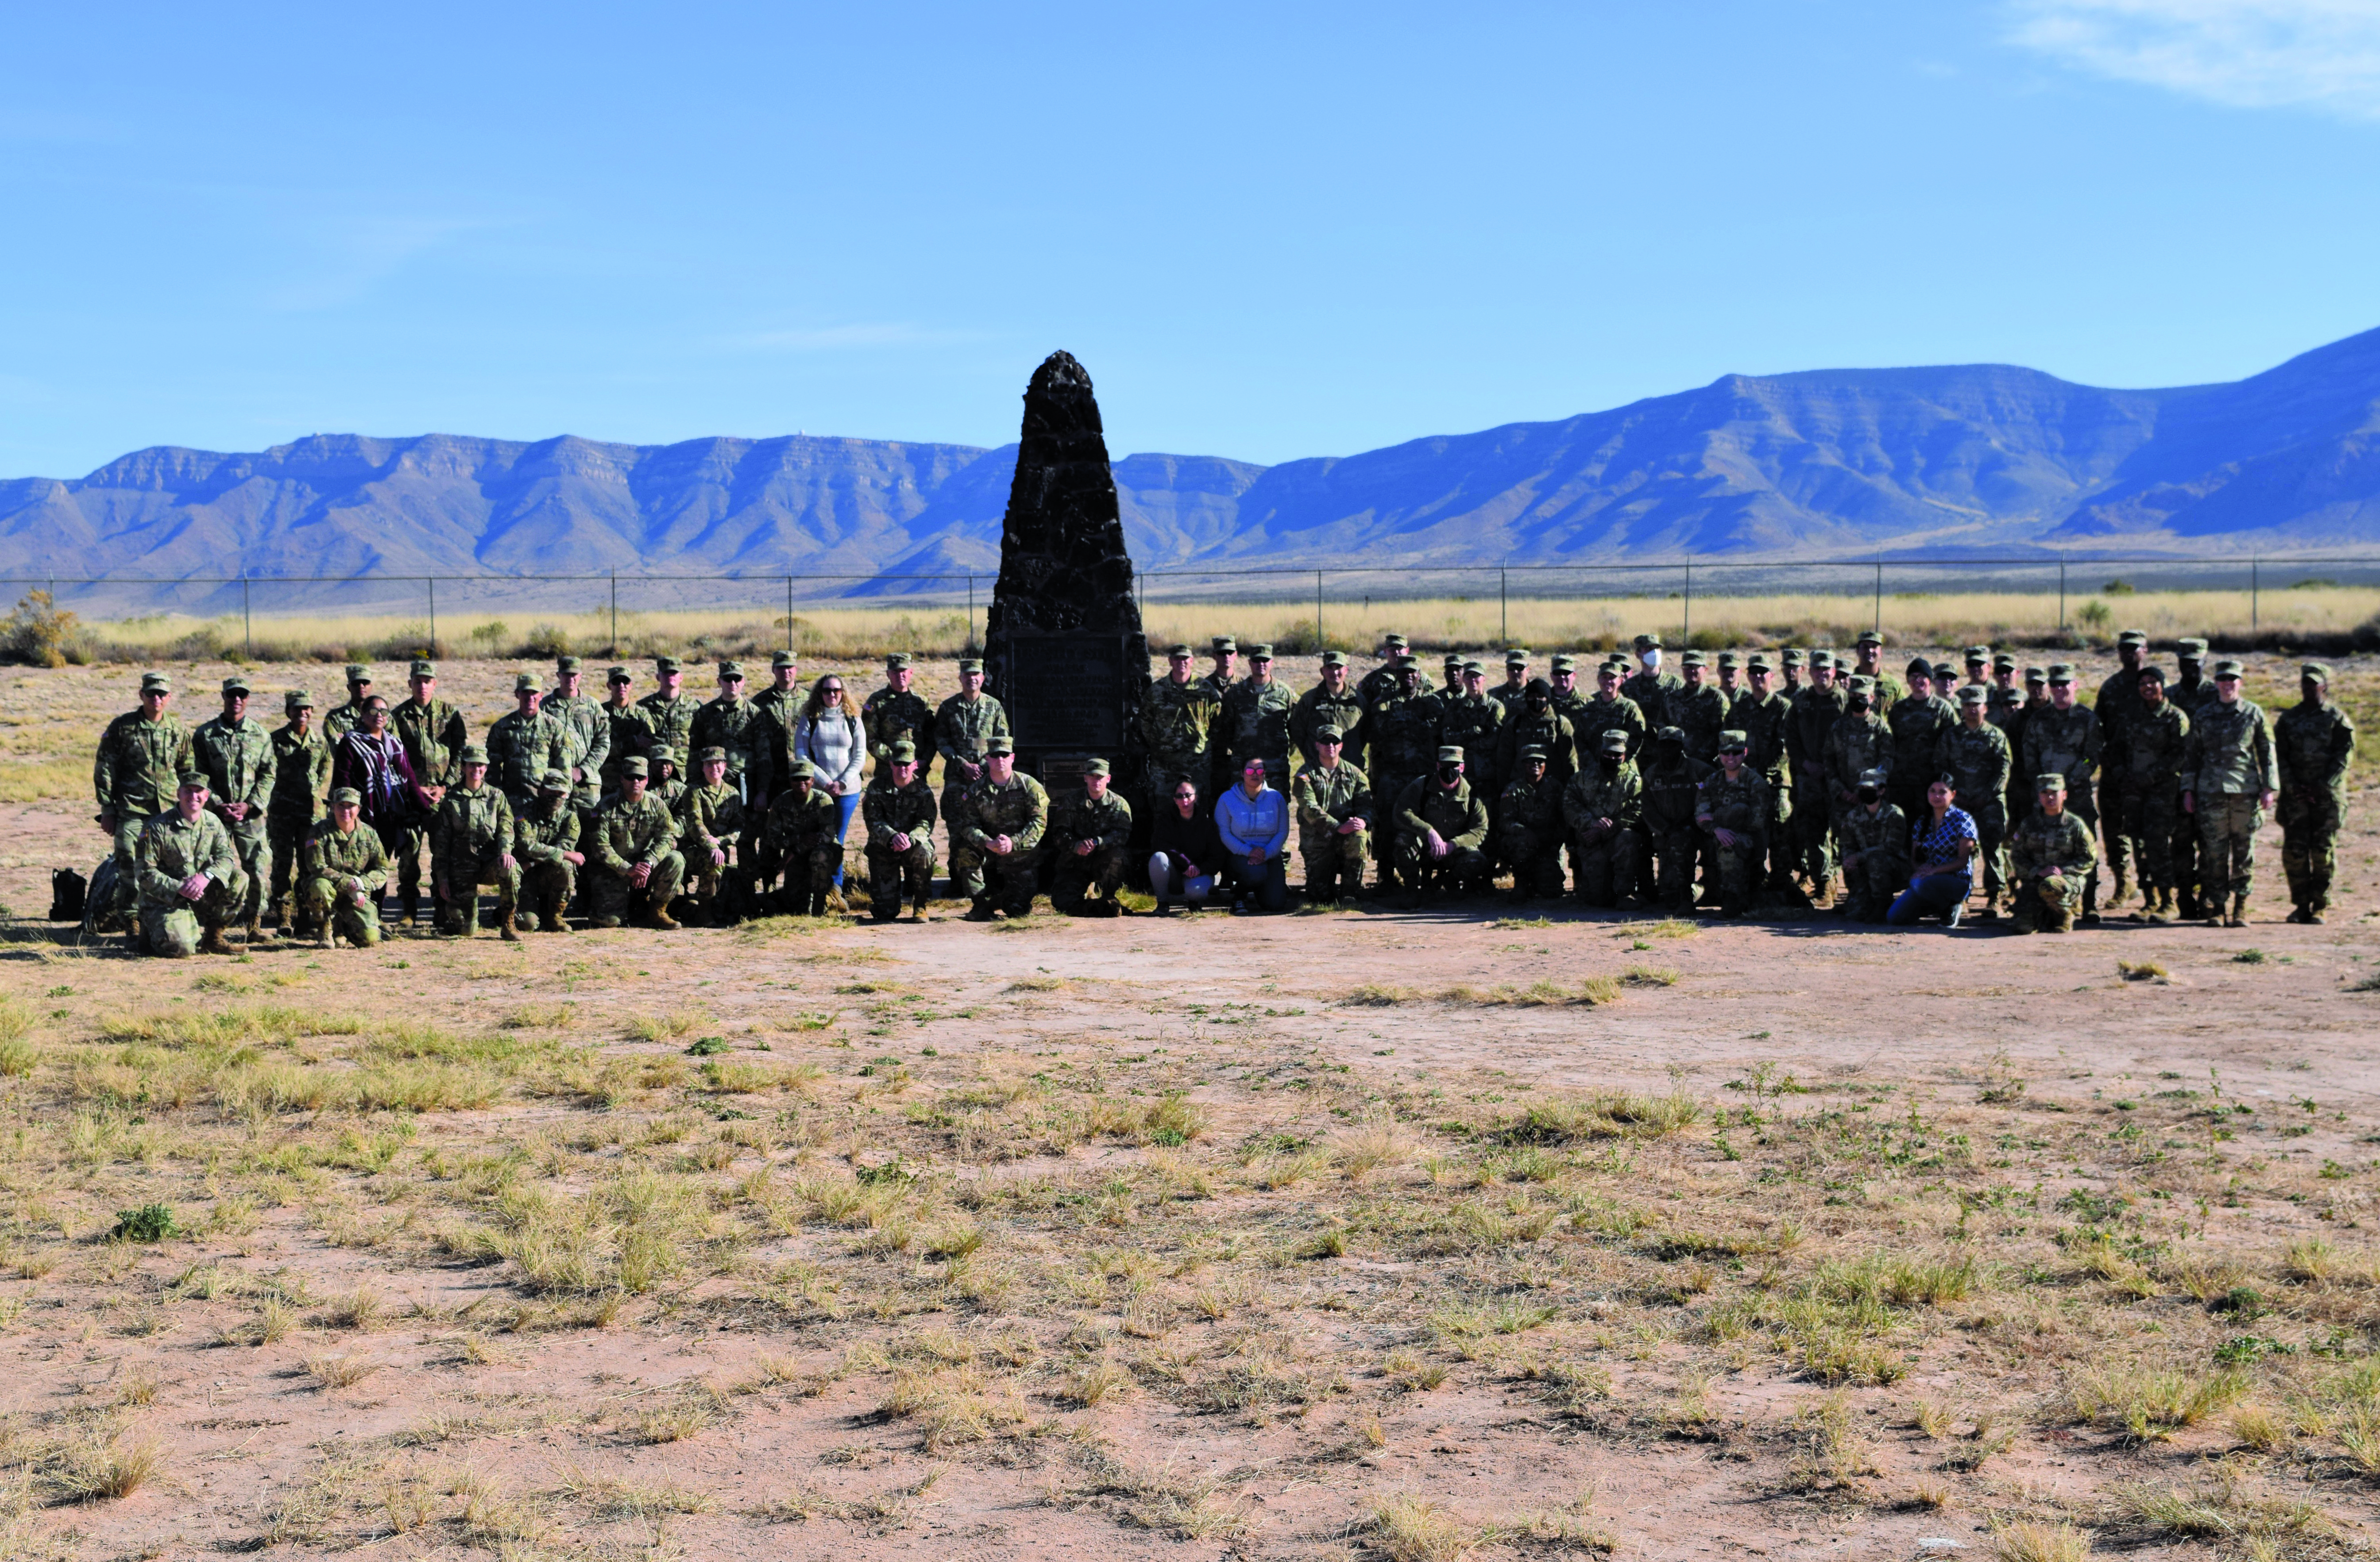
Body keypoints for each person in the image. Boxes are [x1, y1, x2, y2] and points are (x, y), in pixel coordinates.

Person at [93, 670, 193, 931]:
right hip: (132, 810)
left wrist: (191, 807)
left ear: (169, 697)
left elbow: (187, 771)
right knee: (129, 864)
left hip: (169, 811)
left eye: (161, 694)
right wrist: (107, 810)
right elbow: (105, 768)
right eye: (151, 693)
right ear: (142, 695)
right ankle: (132, 922)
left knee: (171, 866)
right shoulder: (122, 728)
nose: (156, 698)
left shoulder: (178, 730)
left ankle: (167, 917)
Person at [2182, 658, 2277, 928]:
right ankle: (2217, 906)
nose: (2228, 684)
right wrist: (2188, 789)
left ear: (2240, 682)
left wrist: (2269, 787)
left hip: (2245, 794)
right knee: (2214, 853)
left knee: (2244, 851)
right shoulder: (2203, 715)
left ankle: (2241, 907)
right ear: (2216, 683)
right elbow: (2192, 756)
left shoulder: (2253, 714)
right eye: (2223, 679)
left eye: (2232, 679)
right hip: (2211, 793)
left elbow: (2267, 752)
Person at [190, 673, 277, 944]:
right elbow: (197, 775)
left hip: (250, 817)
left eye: (242, 695)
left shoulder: (260, 735)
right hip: (215, 817)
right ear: (223, 697)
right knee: (211, 868)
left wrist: (250, 805)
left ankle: (254, 925)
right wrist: (216, 803)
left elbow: (268, 774)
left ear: (248, 699)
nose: (236, 700)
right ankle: (213, 928)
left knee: (257, 869)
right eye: (232, 695)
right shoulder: (205, 734)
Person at [2275, 662, 2358, 925]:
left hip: (2326, 796)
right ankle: (2300, 905)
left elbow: (2343, 757)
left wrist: (2322, 785)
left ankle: (2320, 905)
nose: (2309, 688)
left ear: (2325, 686)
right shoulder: (2288, 719)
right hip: (2296, 797)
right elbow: (2278, 756)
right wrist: (2293, 786)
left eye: (2314, 683)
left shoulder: (2336, 719)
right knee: (2295, 852)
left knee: (2323, 852)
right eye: (2305, 683)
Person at [388, 659, 468, 928]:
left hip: (442, 798)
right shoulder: (398, 717)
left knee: (442, 855)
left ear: (434, 684)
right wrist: (415, 787)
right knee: (408, 856)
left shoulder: (450, 714)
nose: (422, 686)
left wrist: (446, 785)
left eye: (427, 681)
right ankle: (409, 912)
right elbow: (394, 756)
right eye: (417, 681)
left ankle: (441, 909)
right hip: (412, 797)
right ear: (410, 684)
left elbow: (460, 752)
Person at [134, 771, 247, 956]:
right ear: (179, 794)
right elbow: (144, 872)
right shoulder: (157, 827)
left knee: (240, 878)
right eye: (188, 791)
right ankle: (150, 931)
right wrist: (179, 887)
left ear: (206, 796)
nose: (193, 796)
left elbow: (226, 857)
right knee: (184, 949)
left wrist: (206, 877)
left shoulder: (213, 822)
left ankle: (213, 939)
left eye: (199, 791)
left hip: (199, 893)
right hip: (165, 899)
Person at [2111, 667, 2190, 924]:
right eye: (2143, 683)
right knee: (2138, 844)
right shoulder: (2131, 717)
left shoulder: (2175, 718)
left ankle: (2169, 902)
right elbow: (2117, 750)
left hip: (2162, 792)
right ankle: (2150, 901)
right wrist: (2124, 775)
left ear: (2162, 685)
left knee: (2158, 844)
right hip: (2134, 792)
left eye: (2152, 682)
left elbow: (2181, 755)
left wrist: (2152, 776)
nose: (2147, 687)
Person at [329, 695, 417, 922]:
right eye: (374, 711)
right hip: (365, 817)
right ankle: (355, 918)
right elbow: (343, 780)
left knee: (381, 865)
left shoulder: (396, 744)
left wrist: (423, 809)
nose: (380, 716)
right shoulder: (351, 742)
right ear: (363, 714)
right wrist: (348, 815)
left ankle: (377, 916)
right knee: (361, 866)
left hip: (391, 816)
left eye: (385, 712)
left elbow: (410, 779)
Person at [934, 659, 1010, 899]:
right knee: (957, 831)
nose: (972, 679)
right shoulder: (948, 708)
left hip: (986, 779)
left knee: (987, 827)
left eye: (976, 675)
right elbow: (941, 740)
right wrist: (961, 763)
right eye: (967, 675)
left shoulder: (994, 707)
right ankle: (957, 880)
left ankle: (988, 881)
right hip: (958, 779)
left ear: (983, 678)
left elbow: (1003, 740)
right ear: (960, 678)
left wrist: (986, 763)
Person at [1935, 686, 2012, 921]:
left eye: (1976, 705)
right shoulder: (1950, 736)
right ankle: (1962, 895)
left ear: (1985, 708)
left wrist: (1986, 795)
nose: (1971, 709)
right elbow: (1941, 767)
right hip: (1959, 802)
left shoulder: (1996, 736)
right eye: (1967, 705)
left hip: (1988, 802)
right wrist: (1953, 795)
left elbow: (2003, 769)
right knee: (1959, 849)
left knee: (1993, 847)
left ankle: (1995, 896)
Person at [429, 744, 520, 940]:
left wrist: (505, 851)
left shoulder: (496, 797)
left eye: (481, 765)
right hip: (461, 867)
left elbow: (506, 827)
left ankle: (508, 923)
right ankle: (453, 915)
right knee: (467, 931)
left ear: (486, 768)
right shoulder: (452, 800)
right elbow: (441, 843)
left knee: (510, 869)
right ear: (463, 767)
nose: (476, 770)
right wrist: (443, 877)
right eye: (471, 765)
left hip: (489, 863)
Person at [587, 756, 687, 929]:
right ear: (622, 779)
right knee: (610, 922)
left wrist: (649, 863)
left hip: (644, 866)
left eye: (640, 778)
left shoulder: (658, 805)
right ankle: (629, 904)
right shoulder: (605, 806)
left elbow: (666, 839)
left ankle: (657, 912)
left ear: (647, 780)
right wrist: (628, 869)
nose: (636, 782)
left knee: (676, 859)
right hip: (614, 870)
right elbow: (600, 847)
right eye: (631, 777)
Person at [793, 672, 867, 902]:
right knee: (817, 837)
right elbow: (802, 753)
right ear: (820, 693)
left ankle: (835, 891)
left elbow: (860, 755)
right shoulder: (810, 718)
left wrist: (842, 782)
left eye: (836, 690)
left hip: (848, 791)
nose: (832, 695)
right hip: (818, 790)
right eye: (827, 691)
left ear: (843, 692)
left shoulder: (853, 718)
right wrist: (826, 783)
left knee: (837, 838)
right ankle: (813, 888)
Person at [956, 736, 1047, 921]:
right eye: (995, 756)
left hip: (1020, 853)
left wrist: (1013, 843)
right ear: (987, 759)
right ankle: (980, 904)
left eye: (1004, 755)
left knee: (1017, 911)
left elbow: (1039, 822)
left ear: (1012, 758)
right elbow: (967, 825)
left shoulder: (1029, 786)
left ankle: (1003, 899)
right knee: (964, 849)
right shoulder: (976, 791)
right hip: (989, 850)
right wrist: (987, 842)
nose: (1000, 760)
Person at [2093, 630, 2154, 909]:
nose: (2129, 653)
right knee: (2113, 829)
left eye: (2135, 648)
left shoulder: (2154, 685)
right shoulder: (2111, 687)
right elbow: (2098, 731)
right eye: (2124, 649)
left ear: (2146, 650)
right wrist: (2107, 763)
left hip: (2147, 774)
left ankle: (2151, 888)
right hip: (2114, 772)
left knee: (2144, 831)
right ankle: (2123, 882)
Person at [266, 690, 330, 935]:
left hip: (309, 813)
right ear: (288, 712)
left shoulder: (319, 742)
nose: (302, 713)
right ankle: (283, 918)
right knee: (282, 864)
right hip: (282, 811)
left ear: (312, 712)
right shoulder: (274, 740)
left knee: (308, 865)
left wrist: (312, 790)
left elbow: (324, 768)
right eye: (296, 709)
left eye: (307, 709)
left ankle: (306, 917)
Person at [1393, 746, 1490, 905]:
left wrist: (1453, 845)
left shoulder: (1472, 794)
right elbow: (1402, 811)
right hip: (1426, 845)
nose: (1449, 770)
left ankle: (1449, 881)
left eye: (1454, 766)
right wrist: (1429, 832)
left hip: (1454, 849)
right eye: (1445, 766)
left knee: (1477, 860)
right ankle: (1412, 890)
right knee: (1403, 842)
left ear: (1462, 767)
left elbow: (1480, 829)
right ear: (1438, 766)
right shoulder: (1422, 786)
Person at [2006, 773, 2098, 935]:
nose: (2049, 797)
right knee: (2023, 927)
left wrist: (2063, 870)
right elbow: (2017, 856)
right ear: (2038, 796)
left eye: (2054, 793)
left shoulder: (2075, 825)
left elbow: (2088, 858)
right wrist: (2037, 871)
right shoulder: (2029, 824)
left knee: (2051, 885)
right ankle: (2045, 914)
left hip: (2065, 881)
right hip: (2035, 880)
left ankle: (2064, 913)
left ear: (2064, 795)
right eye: (2044, 793)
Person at [302, 786, 391, 949]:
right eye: (340, 806)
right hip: (329, 890)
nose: (346, 811)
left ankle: (342, 927)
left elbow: (382, 869)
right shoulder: (319, 832)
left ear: (359, 809)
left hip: (356, 895)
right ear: (333, 808)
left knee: (369, 938)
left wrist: (362, 884)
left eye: (351, 806)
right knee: (319, 886)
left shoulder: (369, 834)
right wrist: (349, 883)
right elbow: (317, 867)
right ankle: (324, 928)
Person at [1791, 655, 1849, 902]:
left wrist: (1834, 769)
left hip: (1840, 780)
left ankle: (1853, 888)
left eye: (1826, 669)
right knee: (1813, 835)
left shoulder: (1846, 700)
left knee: (1844, 835)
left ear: (1834, 672)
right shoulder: (1801, 701)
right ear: (1809, 671)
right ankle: (1823, 886)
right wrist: (1805, 763)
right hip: (1810, 779)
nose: (1821, 674)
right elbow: (1791, 737)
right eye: (1817, 669)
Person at [1292, 725, 1371, 903]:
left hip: (1347, 839)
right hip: (1318, 841)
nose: (1331, 746)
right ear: (1317, 745)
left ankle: (1350, 891)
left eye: (1335, 742)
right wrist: (1337, 827)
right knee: (1319, 898)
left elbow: (1366, 805)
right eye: (1326, 742)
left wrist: (1363, 821)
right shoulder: (1305, 775)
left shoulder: (1356, 774)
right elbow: (1309, 808)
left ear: (1341, 746)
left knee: (1360, 836)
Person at [1694, 730, 1769, 917]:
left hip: (1749, 838)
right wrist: (1717, 828)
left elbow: (1756, 821)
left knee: (1728, 845)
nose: (1730, 757)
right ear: (1719, 754)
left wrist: (1723, 821)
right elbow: (1701, 814)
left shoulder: (1755, 783)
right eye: (1725, 753)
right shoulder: (1712, 781)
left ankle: (1732, 901)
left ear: (1745, 752)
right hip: (1717, 833)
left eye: (1736, 752)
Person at [862, 740, 937, 923]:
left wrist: (910, 839)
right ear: (891, 764)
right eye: (898, 764)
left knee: (926, 851)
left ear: (915, 765)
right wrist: (892, 837)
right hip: (884, 847)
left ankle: (920, 905)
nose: (902, 768)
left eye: (906, 764)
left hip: (912, 845)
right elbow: (873, 822)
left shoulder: (924, 791)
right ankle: (884, 900)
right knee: (886, 913)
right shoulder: (876, 788)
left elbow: (926, 822)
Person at [1565, 729, 1642, 908]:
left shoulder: (1633, 781)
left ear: (1625, 755)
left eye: (1617, 755)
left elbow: (1638, 810)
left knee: (1629, 838)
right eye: (1608, 754)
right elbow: (1569, 805)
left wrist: (1610, 828)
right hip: (1591, 841)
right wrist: (1591, 824)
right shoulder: (1583, 778)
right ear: (1601, 752)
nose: (1612, 758)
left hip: (1617, 839)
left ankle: (1625, 894)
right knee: (1597, 900)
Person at [1887, 775, 1978, 926]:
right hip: (1926, 881)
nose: (1936, 796)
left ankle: (1952, 906)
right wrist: (1920, 869)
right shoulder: (1922, 823)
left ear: (1953, 795)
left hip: (1956, 881)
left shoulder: (1963, 820)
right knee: (1894, 918)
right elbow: (1915, 859)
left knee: (1918, 883)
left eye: (1942, 792)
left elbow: (1962, 861)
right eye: (1932, 791)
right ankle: (1938, 907)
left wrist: (1934, 871)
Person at [759, 758, 845, 917]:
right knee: (796, 906)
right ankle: (769, 895)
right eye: (796, 779)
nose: (801, 782)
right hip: (796, 856)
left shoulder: (823, 801)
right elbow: (772, 838)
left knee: (820, 856)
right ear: (790, 781)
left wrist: (796, 850)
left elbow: (826, 836)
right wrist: (799, 840)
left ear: (813, 780)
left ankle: (821, 904)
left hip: (824, 853)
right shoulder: (781, 803)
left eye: (805, 778)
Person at [1143, 644, 1225, 808]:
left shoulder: (1205, 690)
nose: (1181, 662)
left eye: (1185, 658)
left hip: (1197, 764)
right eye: (1177, 658)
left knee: (1199, 810)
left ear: (1192, 661)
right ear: (1170, 661)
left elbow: (1218, 722)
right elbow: (1146, 722)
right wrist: (1160, 745)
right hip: (1165, 764)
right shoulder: (1157, 691)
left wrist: (1204, 744)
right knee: (1163, 810)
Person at [1637, 726, 1708, 912]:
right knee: (1670, 896)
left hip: (1700, 829)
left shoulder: (1699, 770)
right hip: (1669, 834)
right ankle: (1689, 893)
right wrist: (1666, 829)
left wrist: (1695, 823)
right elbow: (1648, 809)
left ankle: (1697, 892)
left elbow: (1712, 799)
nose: (1668, 750)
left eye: (1674, 745)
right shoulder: (1651, 775)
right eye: (1664, 746)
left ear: (1681, 747)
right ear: (1658, 747)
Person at [682, 745, 755, 925]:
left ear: (725, 766)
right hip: (693, 849)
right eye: (709, 764)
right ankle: (703, 912)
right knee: (713, 861)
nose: (714, 768)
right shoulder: (694, 791)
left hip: (721, 850)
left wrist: (722, 841)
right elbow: (695, 823)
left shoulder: (733, 793)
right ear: (702, 767)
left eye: (718, 763)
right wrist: (712, 845)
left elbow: (739, 826)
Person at [1052, 759, 1134, 917]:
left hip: (1103, 861)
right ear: (1085, 778)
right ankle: (1098, 906)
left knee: (1119, 855)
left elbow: (1122, 835)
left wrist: (1098, 843)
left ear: (1108, 779)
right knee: (1061, 903)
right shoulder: (1071, 801)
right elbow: (1060, 833)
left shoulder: (1119, 804)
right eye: (1092, 776)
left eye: (1100, 777)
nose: (1096, 781)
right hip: (1076, 861)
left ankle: (1109, 896)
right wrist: (1076, 845)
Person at [1216, 754, 1291, 914]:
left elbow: (1283, 831)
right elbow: (1224, 834)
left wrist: (1267, 853)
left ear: (1265, 774)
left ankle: (1260, 890)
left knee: (1275, 905)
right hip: (1239, 855)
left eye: (1260, 770)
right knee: (1256, 873)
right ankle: (1239, 896)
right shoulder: (1227, 799)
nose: (1255, 774)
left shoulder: (1276, 798)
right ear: (1242, 774)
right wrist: (1249, 852)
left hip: (1269, 855)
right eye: (1250, 770)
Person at [1835, 766, 1909, 924]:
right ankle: (1859, 898)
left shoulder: (1894, 814)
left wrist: (1859, 857)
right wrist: (1849, 860)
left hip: (1895, 868)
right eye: (1862, 788)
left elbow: (1892, 847)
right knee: (1855, 914)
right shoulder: (1854, 816)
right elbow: (1847, 844)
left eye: (1869, 788)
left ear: (1881, 791)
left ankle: (1883, 904)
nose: (1864, 791)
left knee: (1876, 860)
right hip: (1865, 869)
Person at [689, 660, 771, 802]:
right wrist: (693, 784)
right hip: (712, 781)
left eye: (737, 679)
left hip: (746, 781)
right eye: (728, 679)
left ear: (743, 682)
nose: (733, 683)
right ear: (719, 681)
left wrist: (762, 791)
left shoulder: (754, 714)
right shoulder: (705, 713)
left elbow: (764, 755)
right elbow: (695, 752)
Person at [514, 769, 584, 933]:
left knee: (566, 866)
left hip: (545, 872)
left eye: (560, 793)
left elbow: (565, 848)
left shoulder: (570, 818)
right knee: (528, 925)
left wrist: (533, 862)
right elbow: (528, 845)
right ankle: (508, 911)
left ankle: (554, 916)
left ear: (566, 795)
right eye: (551, 792)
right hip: (525, 877)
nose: (555, 797)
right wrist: (564, 855)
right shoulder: (524, 814)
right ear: (541, 791)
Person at [1887, 661, 1956, 822]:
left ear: (1930, 680)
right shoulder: (1898, 710)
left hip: (1932, 781)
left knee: (1929, 823)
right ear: (1908, 681)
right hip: (1902, 780)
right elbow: (1890, 743)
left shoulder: (1943, 709)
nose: (1918, 681)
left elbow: (1954, 741)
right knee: (1903, 823)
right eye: (1913, 677)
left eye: (1922, 677)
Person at [1222, 644, 1297, 791]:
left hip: (1275, 767)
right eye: (1256, 661)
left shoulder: (1285, 693)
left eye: (1265, 660)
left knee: (1276, 810)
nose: (1261, 664)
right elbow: (1226, 728)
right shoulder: (1236, 694)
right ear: (1250, 663)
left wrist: (1283, 752)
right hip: (1243, 767)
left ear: (1272, 663)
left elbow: (1295, 729)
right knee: (1241, 809)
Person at [542, 656, 610, 816]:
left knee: (590, 831)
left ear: (580, 676)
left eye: (574, 675)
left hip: (587, 784)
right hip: (554, 784)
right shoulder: (545, 707)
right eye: (566, 674)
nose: (570, 679)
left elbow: (603, 743)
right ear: (559, 675)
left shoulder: (593, 706)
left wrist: (583, 770)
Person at [488, 673, 566, 810]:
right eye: (525, 692)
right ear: (517, 694)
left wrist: (558, 798)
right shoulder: (502, 727)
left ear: (541, 696)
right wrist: (497, 797)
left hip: (544, 802)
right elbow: (492, 767)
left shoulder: (554, 727)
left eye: (534, 693)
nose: (530, 697)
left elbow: (564, 765)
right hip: (510, 802)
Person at [1497, 747, 1565, 902]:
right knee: (1521, 847)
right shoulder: (1513, 790)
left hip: (1547, 843)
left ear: (1545, 765)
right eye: (1530, 761)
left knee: (1552, 891)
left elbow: (1563, 819)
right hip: (1522, 843)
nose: (1535, 764)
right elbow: (1505, 822)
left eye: (1540, 761)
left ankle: (1537, 881)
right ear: (1523, 765)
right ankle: (1521, 881)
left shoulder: (1555, 788)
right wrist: (1524, 832)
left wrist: (1555, 841)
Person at [1149, 778, 1224, 915]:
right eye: (1179, 796)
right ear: (1174, 799)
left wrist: (1199, 870)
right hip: (1175, 875)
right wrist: (1186, 863)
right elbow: (1160, 844)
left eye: (1188, 796)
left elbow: (1217, 858)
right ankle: (1163, 904)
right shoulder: (1166, 821)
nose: (1184, 801)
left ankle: (1194, 902)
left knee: (1195, 892)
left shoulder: (1208, 824)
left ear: (1196, 798)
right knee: (1158, 858)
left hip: (1200, 875)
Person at [1291, 651, 1367, 774]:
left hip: (1351, 770)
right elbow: (1298, 732)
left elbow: (1365, 733)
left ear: (1346, 670)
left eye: (1339, 668)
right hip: (1317, 771)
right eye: (1330, 668)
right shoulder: (1309, 700)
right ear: (1322, 671)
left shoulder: (1358, 700)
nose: (1335, 672)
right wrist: (1313, 755)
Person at [862, 652, 936, 775]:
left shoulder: (922, 702)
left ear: (911, 673)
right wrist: (896, 760)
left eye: (903, 671)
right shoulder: (877, 701)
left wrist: (925, 760)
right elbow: (870, 738)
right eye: (895, 671)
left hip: (917, 770)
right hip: (888, 770)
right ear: (888, 674)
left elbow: (932, 735)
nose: (900, 675)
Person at [637, 656, 702, 778]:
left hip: (686, 770)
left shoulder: (695, 707)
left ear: (681, 677)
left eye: (674, 673)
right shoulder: (644, 707)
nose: (670, 676)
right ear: (658, 677)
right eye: (666, 673)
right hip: (656, 770)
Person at [753, 651, 804, 799]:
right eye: (781, 667)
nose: (786, 671)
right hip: (773, 776)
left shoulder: (810, 699)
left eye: (790, 667)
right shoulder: (760, 702)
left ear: (796, 669)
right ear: (773, 669)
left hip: (804, 774)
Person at [599, 666, 653, 795]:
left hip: (635, 779)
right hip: (608, 780)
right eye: (616, 682)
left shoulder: (642, 715)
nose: (621, 686)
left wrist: (617, 745)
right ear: (608, 686)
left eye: (626, 682)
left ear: (631, 686)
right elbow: (600, 748)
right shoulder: (600, 713)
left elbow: (648, 745)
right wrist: (633, 741)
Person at [1672, 652, 1728, 764]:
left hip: (1708, 764)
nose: (1691, 671)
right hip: (1678, 763)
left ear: (1705, 669)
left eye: (1695, 667)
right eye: (1687, 667)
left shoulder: (1716, 698)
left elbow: (1723, 734)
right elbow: (1664, 730)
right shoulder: (1672, 699)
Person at [322, 664, 374, 744]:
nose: (361, 686)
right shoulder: (335, 718)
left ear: (371, 686)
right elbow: (337, 748)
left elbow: (394, 746)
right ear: (349, 687)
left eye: (365, 682)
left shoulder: (383, 716)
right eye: (356, 683)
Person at [1490, 650, 1531, 718]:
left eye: (1520, 668)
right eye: (1511, 668)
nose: (1515, 671)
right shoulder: (1493, 695)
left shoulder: (1536, 695)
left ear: (1528, 670)